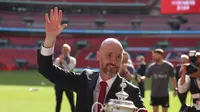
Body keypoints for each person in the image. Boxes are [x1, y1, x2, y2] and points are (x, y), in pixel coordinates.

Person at [37, 7, 145, 112]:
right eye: (109, 55)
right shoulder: (85, 79)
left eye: (118, 57)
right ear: (98, 56)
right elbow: (46, 69)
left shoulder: (131, 91)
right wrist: (50, 39)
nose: (113, 61)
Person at [54, 43, 76, 112]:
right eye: (63, 50)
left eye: (66, 50)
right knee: (58, 102)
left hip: (68, 83)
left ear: (69, 50)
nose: (64, 51)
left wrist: (63, 62)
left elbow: (69, 70)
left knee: (71, 102)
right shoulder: (57, 59)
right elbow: (55, 70)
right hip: (59, 83)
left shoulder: (72, 60)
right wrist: (60, 62)